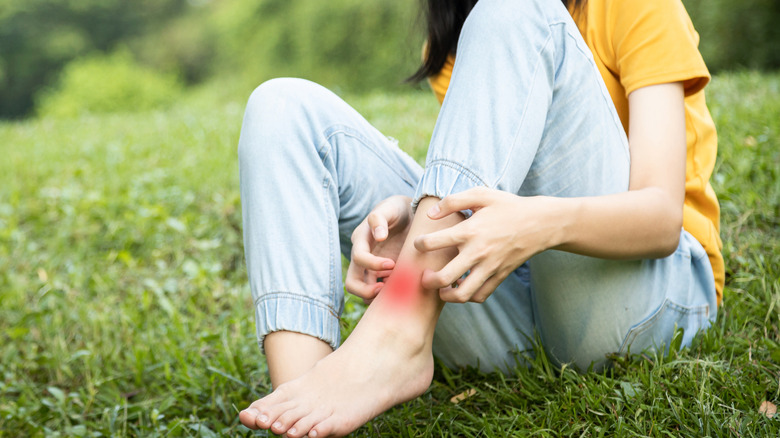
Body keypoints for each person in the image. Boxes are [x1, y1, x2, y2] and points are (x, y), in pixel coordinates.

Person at [235, 0, 723, 435]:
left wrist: (537, 222)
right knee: (280, 108)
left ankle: (396, 336)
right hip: (514, 304)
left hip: (649, 295)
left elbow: (660, 219)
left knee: (512, 7)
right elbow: (490, 169)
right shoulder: (464, 25)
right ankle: (299, 409)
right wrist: (411, 212)